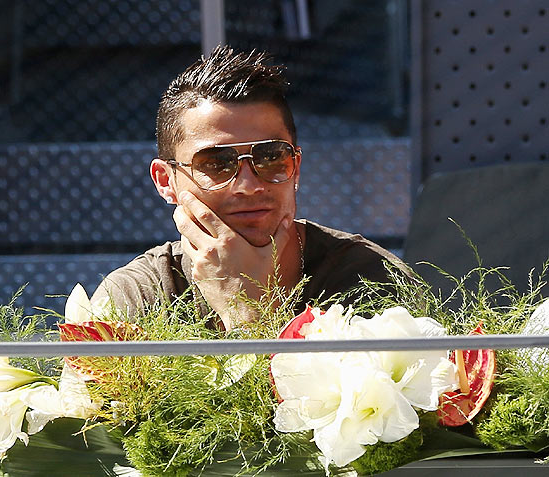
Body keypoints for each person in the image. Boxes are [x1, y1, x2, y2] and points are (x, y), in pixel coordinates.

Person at [92, 45, 407, 330]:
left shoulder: (372, 279)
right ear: (166, 181)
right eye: (215, 164)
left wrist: (247, 316)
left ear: (295, 167)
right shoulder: (135, 297)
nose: (248, 185)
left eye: (271, 158)